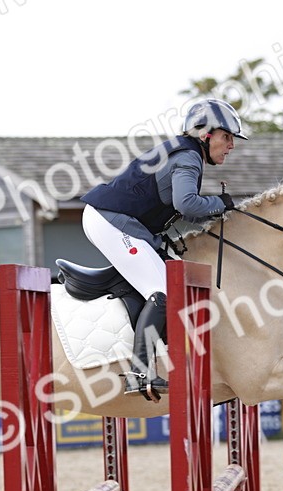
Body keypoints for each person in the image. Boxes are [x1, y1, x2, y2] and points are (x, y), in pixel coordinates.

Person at [80, 97, 247, 401]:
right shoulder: (188, 157)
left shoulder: (187, 152)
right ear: (204, 134)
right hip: (110, 221)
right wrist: (220, 204)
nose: (231, 145)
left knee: (169, 281)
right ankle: (140, 371)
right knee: (164, 291)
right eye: (226, 137)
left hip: (118, 221)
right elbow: (186, 204)